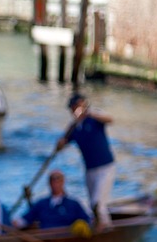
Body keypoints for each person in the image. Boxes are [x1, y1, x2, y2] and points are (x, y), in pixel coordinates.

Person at [56, 93, 116, 230]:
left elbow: (110, 119)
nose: (74, 110)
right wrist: (60, 143)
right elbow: (62, 143)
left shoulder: (94, 117)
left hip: (105, 167)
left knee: (97, 203)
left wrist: (88, 113)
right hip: (90, 170)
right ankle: (104, 226)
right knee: (93, 205)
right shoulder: (74, 127)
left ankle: (104, 230)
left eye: (76, 107)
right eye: (72, 108)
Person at [15, 170, 93, 230]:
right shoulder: (41, 204)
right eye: (53, 179)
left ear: (63, 182)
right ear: (49, 183)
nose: (55, 182)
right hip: (44, 239)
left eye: (58, 179)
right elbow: (24, 220)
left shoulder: (73, 204)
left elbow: (87, 221)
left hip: (67, 240)